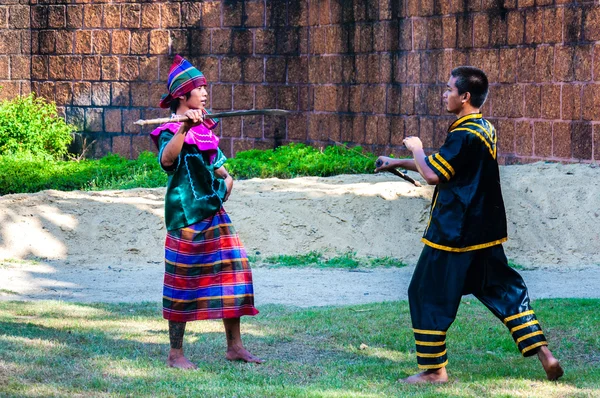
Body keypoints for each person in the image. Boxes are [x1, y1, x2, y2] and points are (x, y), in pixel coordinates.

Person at [375, 66, 563, 384]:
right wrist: (398, 163)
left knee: (424, 292)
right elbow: (449, 166)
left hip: (454, 234)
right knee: (504, 290)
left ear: (464, 96)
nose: (444, 94)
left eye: (448, 89)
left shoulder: (463, 133)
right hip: (484, 233)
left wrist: (416, 148)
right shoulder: (483, 129)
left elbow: (433, 174)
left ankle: (435, 372)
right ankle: (545, 355)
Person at [150, 55, 262, 369]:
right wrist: (183, 129)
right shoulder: (169, 130)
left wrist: (228, 179)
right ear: (183, 96)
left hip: (213, 212)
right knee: (181, 282)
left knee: (235, 272)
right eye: (200, 88)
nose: (205, 93)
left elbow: (217, 166)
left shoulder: (205, 129)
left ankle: (235, 346)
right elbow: (167, 162)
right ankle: (176, 354)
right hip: (185, 216)